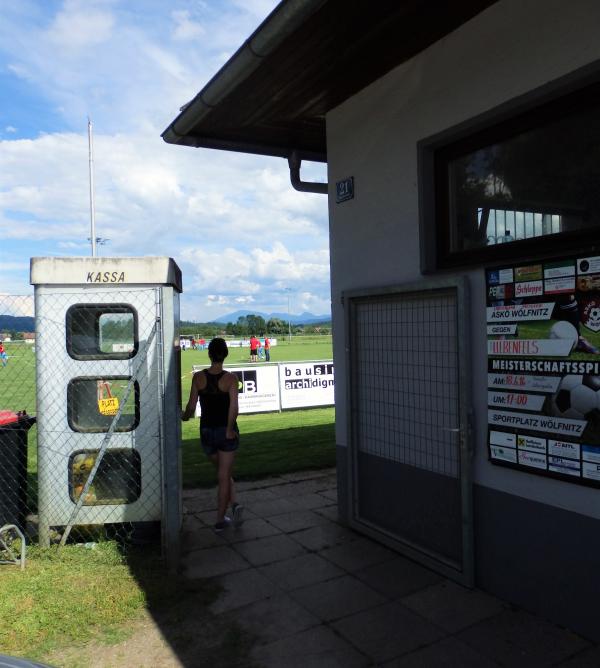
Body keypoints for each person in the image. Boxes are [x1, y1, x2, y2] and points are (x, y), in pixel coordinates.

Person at [181, 337, 243, 532]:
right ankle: (219, 520)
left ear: (209, 354)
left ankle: (234, 504)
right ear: (225, 354)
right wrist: (229, 429)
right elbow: (234, 408)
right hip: (224, 432)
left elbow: (191, 407)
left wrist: (184, 417)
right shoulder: (231, 379)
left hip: (206, 432)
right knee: (224, 475)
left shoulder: (198, 377)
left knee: (223, 472)